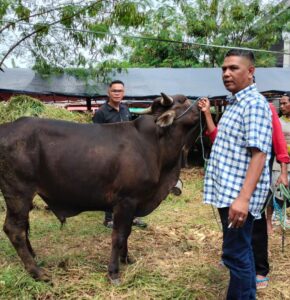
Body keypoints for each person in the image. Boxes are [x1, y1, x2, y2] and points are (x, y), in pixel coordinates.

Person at [198, 49, 272, 299]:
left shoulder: (253, 104)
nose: (226, 73)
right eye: (224, 68)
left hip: (237, 196)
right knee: (241, 250)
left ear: (250, 72)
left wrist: (243, 199)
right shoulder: (235, 102)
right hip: (228, 192)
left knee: (235, 254)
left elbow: (259, 154)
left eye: (234, 68)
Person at [199, 96, 289, 290]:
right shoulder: (232, 107)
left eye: (233, 69)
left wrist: (283, 172)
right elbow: (217, 139)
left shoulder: (260, 106)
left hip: (254, 181)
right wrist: (207, 112)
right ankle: (238, 262)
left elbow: (278, 142)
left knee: (256, 224)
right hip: (231, 182)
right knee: (232, 224)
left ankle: (260, 269)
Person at [92, 80, 147, 229]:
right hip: (108, 156)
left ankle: (133, 216)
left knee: (131, 186)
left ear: (124, 93)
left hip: (127, 156)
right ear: (108, 92)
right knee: (110, 186)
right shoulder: (101, 113)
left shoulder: (125, 109)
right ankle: (109, 218)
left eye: (120, 91)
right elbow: (94, 136)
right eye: (114, 91)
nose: (117, 93)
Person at [267, 93, 290, 235]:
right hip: (279, 164)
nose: (281, 107)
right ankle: (268, 222)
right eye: (280, 104)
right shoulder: (277, 122)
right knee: (275, 193)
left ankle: (283, 220)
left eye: (284, 103)